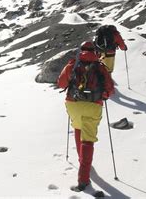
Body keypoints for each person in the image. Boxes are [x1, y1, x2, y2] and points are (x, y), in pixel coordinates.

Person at [57, 41, 114, 192]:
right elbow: (110, 90)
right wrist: (103, 95)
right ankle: (83, 178)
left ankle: (81, 160)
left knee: (77, 128)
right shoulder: (100, 67)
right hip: (93, 105)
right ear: (94, 51)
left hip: (73, 104)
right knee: (88, 140)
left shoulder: (72, 65)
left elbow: (62, 83)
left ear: (81, 50)